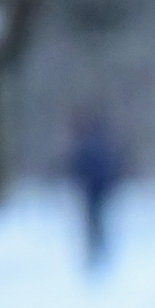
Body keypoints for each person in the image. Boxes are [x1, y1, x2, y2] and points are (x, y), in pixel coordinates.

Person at [66, 111, 125, 272]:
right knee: (98, 221)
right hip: (98, 191)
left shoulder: (88, 146)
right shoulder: (102, 145)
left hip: (92, 191)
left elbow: (78, 168)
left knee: (93, 222)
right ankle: (99, 251)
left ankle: (95, 251)